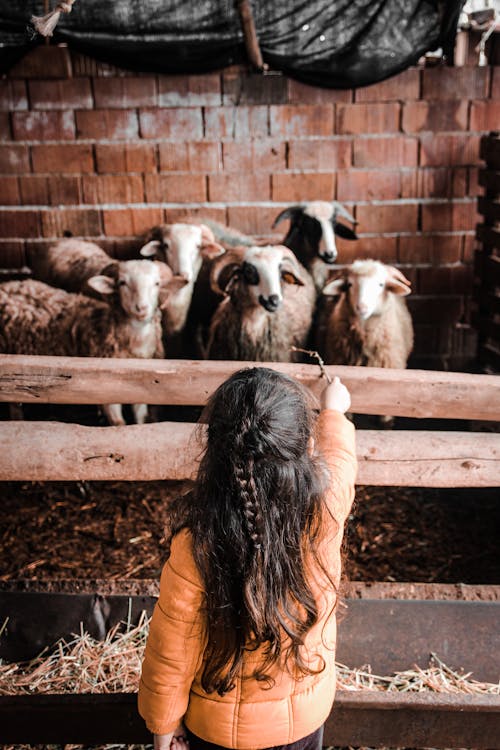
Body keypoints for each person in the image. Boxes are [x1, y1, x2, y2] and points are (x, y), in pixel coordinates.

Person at [138, 367, 357, 750]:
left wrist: (163, 727)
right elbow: (340, 463)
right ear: (303, 446)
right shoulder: (326, 510)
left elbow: (172, 651)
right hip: (302, 724)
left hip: (215, 730)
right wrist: (333, 413)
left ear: (214, 451)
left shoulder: (198, 542)